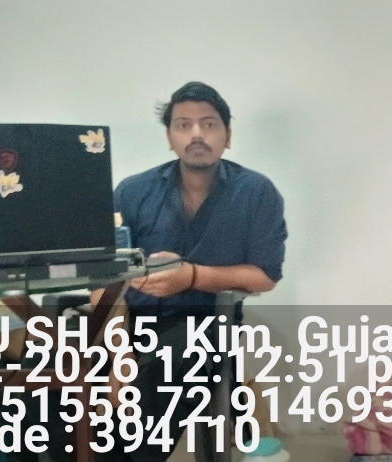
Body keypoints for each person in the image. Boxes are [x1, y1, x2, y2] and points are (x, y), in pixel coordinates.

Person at [95, 81, 287, 461]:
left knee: (167, 367)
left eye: (209, 124)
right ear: (170, 137)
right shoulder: (132, 192)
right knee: (45, 369)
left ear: (227, 135)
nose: (197, 134)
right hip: (128, 322)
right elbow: (105, 279)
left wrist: (193, 276)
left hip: (205, 324)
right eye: (183, 124)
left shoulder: (256, 192)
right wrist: (119, 354)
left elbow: (265, 276)